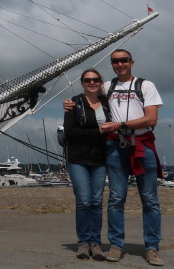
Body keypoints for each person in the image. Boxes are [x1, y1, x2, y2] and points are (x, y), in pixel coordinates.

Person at [64, 49, 164, 266]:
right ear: (112, 65)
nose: (120, 64)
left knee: (150, 199)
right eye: (115, 61)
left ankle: (152, 248)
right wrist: (69, 103)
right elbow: (88, 99)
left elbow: (151, 118)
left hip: (141, 145)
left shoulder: (145, 86)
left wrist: (122, 125)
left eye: (124, 60)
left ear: (131, 62)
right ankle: (116, 245)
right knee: (116, 199)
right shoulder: (107, 87)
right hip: (116, 147)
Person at [63, 69, 110, 260]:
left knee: (97, 203)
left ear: (100, 82)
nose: (92, 82)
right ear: (82, 82)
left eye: (95, 79)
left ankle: (95, 243)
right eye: (87, 80)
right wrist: (99, 131)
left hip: (100, 158)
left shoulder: (107, 103)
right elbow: (70, 132)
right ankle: (83, 242)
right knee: (84, 201)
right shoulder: (74, 103)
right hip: (78, 158)